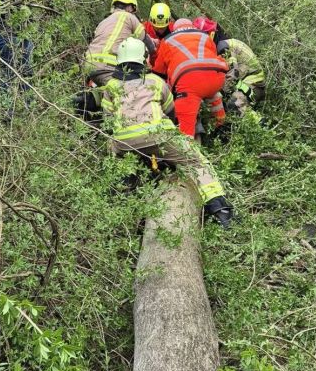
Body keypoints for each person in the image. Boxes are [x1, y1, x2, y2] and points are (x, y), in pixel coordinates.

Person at [101, 37, 235, 226]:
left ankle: (123, 199)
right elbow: (170, 111)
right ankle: (220, 210)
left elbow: (107, 119)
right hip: (157, 134)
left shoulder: (111, 87)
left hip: (123, 141)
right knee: (195, 161)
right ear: (143, 58)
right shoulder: (155, 82)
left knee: (121, 163)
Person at [151, 18, 228, 137]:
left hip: (190, 84)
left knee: (185, 130)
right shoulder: (204, 35)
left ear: (175, 28)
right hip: (217, 77)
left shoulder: (167, 40)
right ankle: (220, 130)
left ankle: (189, 149)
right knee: (212, 93)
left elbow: (159, 72)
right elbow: (211, 54)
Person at [193, 17, 266, 116]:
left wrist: (216, 93)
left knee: (234, 105)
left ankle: (262, 124)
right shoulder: (222, 43)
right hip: (245, 82)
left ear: (210, 35)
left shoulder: (224, 48)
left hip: (254, 85)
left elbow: (232, 75)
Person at [83, 0, 153, 87]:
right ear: (129, 7)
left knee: (104, 92)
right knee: (126, 94)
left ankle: (94, 97)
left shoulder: (103, 22)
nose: (133, 12)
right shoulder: (129, 17)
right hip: (108, 67)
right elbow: (146, 43)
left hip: (89, 66)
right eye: (133, 9)